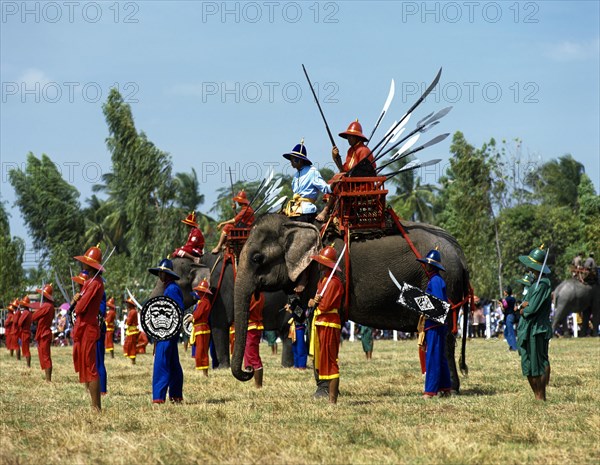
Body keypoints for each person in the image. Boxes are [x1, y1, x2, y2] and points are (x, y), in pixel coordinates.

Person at [308, 245, 344, 404]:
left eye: (321, 262)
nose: (318, 264)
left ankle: (332, 400)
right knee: (323, 360)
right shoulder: (323, 281)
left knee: (330, 361)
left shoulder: (334, 283)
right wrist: (312, 301)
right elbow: (317, 302)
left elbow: (325, 305)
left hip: (329, 324)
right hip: (321, 323)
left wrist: (317, 303)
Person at [517, 245, 553, 401]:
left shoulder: (544, 284)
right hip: (528, 328)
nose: (528, 268)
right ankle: (537, 395)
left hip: (538, 328)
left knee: (539, 362)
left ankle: (541, 396)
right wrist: (523, 306)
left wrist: (523, 309)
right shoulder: (534, 284)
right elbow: (524, 303)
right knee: (528, 363)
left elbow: (531, 309)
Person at [72, 245, 105, 411]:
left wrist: (76, 301)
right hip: (83, 328)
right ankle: (93, 405)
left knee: (91, 368)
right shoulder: (89, 282)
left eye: (86, 262)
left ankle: (96, 407)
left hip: (89, 328)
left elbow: (80, 308)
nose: (83, 264)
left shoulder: (95, 284)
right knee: (86, 364)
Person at [148, 258, 185, 403]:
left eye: (161, 273)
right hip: (167, 331)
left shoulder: (172, 289)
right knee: (172, 363)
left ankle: (159, 397)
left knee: (161, 363)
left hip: (168, 332)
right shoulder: (169, 288)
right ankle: (176, 396)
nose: (160, 276)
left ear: (167, 274)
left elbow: (177, 309)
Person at [417, 249, 452, 399]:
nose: (426, 267)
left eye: (427, 265)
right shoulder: (434, 280)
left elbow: (438, 304)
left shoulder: (436, 281)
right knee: (440, 356)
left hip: (435, 325)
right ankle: (446, 388)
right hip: (435, 324)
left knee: (432, 356)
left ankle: (430, 391)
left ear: (432, 266)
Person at [282, 140, 331, 223]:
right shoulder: (295, 176)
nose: (291, 162)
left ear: (299, 160)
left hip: (306, 212)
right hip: (294, 211)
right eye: (290, 159)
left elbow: (326, 189)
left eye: (293, 159)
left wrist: (333, 186)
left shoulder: (312, 172)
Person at [32, 285, 55, 382]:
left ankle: (48, 380)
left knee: (45, 356)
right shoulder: (50, 306)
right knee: (44, 355)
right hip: (44, 332)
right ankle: (47, 378)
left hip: (44, 333)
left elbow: (34, 317)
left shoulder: (46, 306)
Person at [191, 279, 213, 376]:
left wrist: (190, 319)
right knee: (199, 350)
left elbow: (197, 315)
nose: (198, 293)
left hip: (202, 329)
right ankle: (202, 371)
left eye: (200, 291)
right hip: (199, 329)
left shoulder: (204, 302)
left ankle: (204, 372)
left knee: (202, 350)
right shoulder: (202, 302)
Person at [245, 291, 265, 388]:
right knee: (250, 355)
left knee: (253, 355)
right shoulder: (260, 294)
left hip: (251, 326)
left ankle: (258, 385)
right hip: (253, 326)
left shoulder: (254, 295)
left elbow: (247, 309)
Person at [500, 286, 518, 351]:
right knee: (506, 332)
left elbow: (504, 307)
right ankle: (512, 346)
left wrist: (501, 304)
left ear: (506, 292)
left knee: (510, 332)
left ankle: (514, 347)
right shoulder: (513, 299)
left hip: (509, 316)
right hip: (512, 315)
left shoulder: (507, 299)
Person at [122, 297, 139, 365]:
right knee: (130, 345)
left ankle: (133, 362)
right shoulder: (132, 311)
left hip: (132, 331)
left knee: (131, 346)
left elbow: (128, 322)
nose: (127, 305)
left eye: (128, 304)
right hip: (131, 331)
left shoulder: (132, 312)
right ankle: (132, 361)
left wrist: (126, 321)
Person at [19, 296, 33, 368]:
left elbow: (19, 323)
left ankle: (28, 365)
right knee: (25, 348)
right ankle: (28, 365)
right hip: (27, 331)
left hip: (25, 332)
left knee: (26, 349)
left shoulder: (25, 312)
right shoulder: (29, 312)